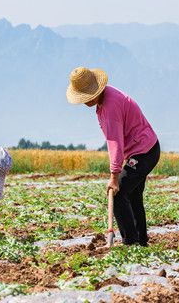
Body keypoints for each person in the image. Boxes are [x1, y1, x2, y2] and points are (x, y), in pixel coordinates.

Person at [66, 67, 160, 246]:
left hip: (144, 151)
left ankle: (131, 243)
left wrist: (114, 176)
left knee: (118, 194)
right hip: (144, 149)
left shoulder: (110, 106)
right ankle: (141, 242)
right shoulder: (105, 99)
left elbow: (114, 142)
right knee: (132, 196)